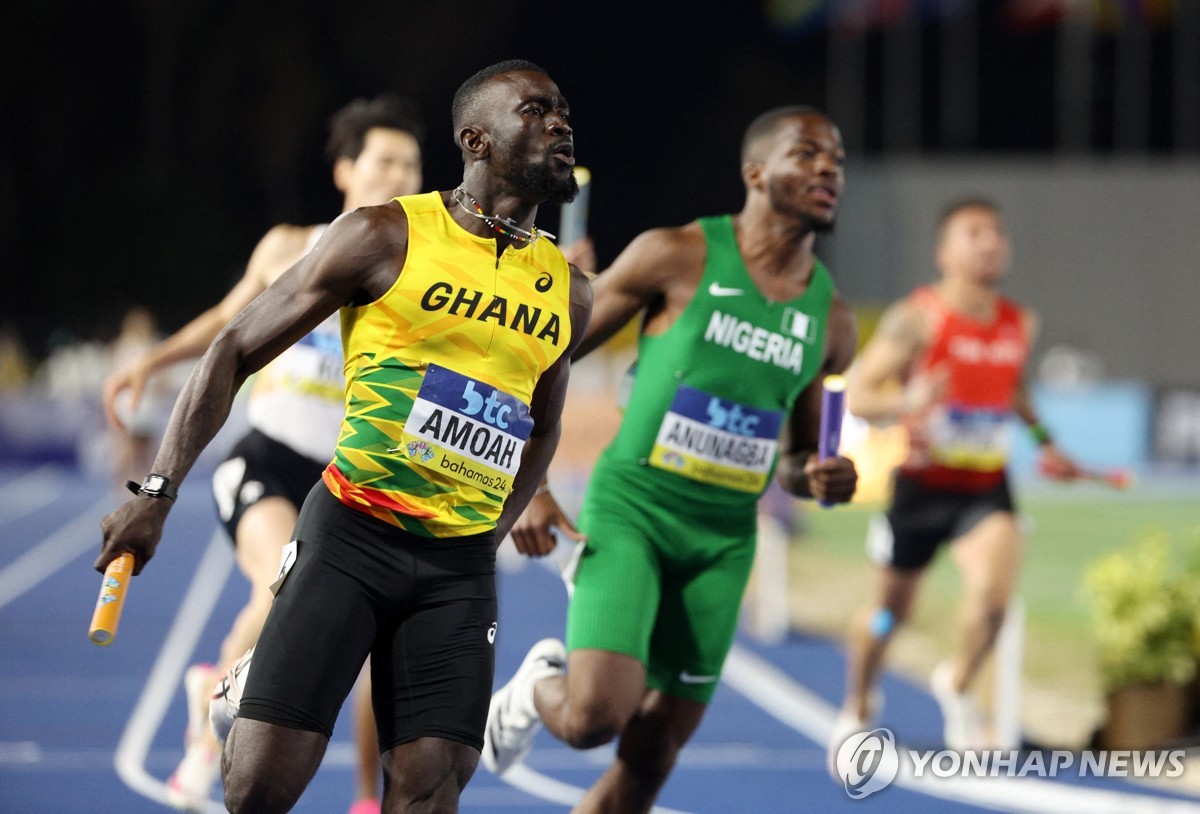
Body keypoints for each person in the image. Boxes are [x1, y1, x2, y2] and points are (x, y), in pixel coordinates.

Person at [95, 58, 591, 814]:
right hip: (352, 533)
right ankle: (243, 691)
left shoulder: (568, 286)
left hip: (458, 566)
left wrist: (485, 536)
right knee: (259, 788)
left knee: (431, 787)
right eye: (535, 110)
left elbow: (541, 427)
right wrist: (155, 491)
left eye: (563, 111)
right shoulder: (383, 235)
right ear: (476, 139)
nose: (561, 122)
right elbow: (231, 347)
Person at [483, 105, 859, 813]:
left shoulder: (832, 321)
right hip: (634, 512)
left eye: (836, 159)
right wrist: (524, 485)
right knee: (596, 718)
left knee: (649, 760)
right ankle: (538, 685)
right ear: (756, 171)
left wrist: (815, 476)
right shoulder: (675, 255)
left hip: (723, 542)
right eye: (808, 154)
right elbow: (541, 358)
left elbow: (797, 459)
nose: (828, 169)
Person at [102, 94, 425, 814]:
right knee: (284, 578)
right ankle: (213, 708)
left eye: (411, 163)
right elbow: (229, 321)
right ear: (346, 169)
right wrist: (150, 362)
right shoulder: (290, 246)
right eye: (384, 160)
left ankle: (367, 798)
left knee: (376, 637)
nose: (400, 174)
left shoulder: (422, 267)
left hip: (349, 478)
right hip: (268, 459)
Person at [828, 198, 1082, 764]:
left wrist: (1047, 444)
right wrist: (909, 399)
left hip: (985, 488)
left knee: (993, 601)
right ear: (945, 251)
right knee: (889, 613)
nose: (989, 242)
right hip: (921, 488)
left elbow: (1014, 389)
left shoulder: (1021, 321)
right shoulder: (916, 319)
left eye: (996, 232)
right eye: (973, 233)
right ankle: (859, 702)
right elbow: (861, 393)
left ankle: (959, 682)